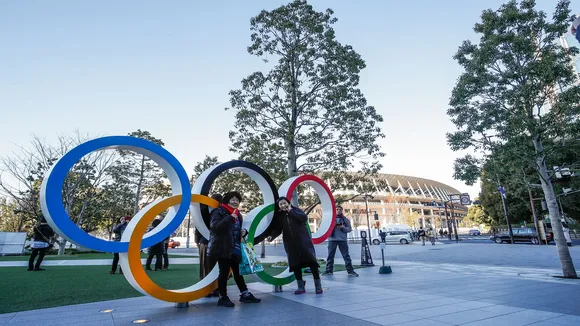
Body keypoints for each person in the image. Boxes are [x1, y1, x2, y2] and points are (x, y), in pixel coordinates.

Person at [208, 191, 261, 307]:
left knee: (238, 272)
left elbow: (236, 231)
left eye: (237, 200)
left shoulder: (238, 215)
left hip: (235, 248)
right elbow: (215, 228)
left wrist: (244, 232)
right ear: (227, 200)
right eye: (233, 199)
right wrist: (230, 218)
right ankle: (223, 297)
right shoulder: (218, 212)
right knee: (224, 272)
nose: (235, 201)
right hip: (222, 248)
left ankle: (245, 294)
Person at [267, 197, 322, 295]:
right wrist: (272, 236)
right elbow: (278, 229)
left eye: (285, 203)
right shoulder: (280, 216)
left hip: (303, 242)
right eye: (281, 204)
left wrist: (291, 211)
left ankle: (318, 286)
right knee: (295, 264)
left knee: (312, 262)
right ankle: (300, 287)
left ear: (289, 203)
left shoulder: (296, 210)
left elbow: (303, 218)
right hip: (290, 243)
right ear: (279, 206)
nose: (283, 205)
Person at [196, 193, 223, 297]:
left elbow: (198, 227)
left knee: (205, 266)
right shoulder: (222, 212)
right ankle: (215, 288)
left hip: (206, 242)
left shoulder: (203, 211)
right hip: (216, 242)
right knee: (217, 266)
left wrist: (197, 241)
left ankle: (207, 289)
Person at [322, 205, 358, 277]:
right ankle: (329, 270)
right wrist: (332, 225)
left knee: (346, 256)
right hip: (332, 239)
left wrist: (343, 227)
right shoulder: (330, 220)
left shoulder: (345, 220)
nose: (338, 211)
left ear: (342, 211)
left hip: (342, 240)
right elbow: (325, 229)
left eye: (340, 209)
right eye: (337, 209)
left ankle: (350, 271)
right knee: (330, 256)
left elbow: (349, 229)